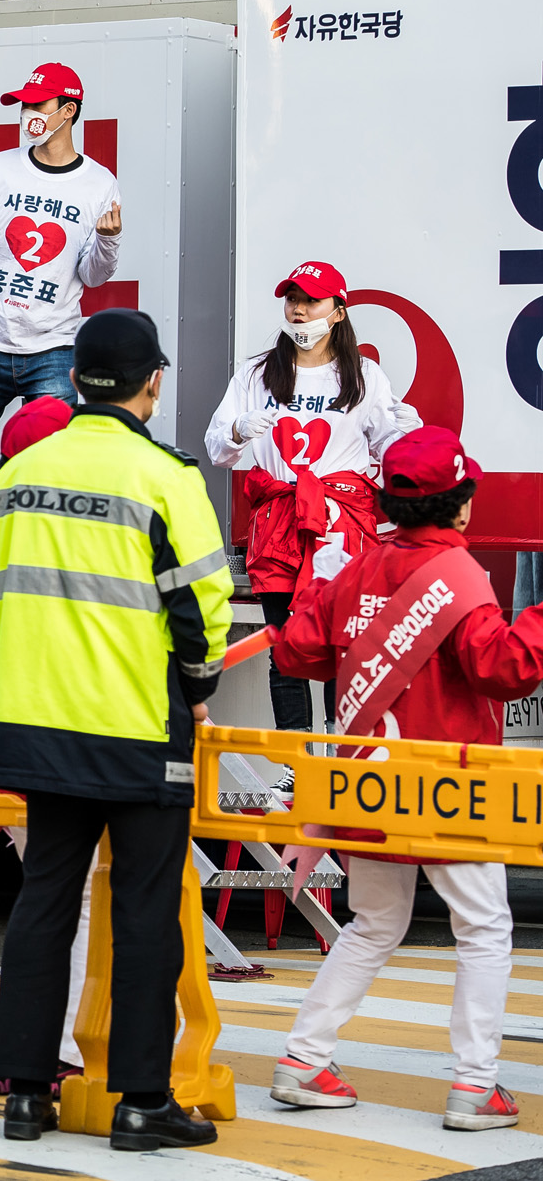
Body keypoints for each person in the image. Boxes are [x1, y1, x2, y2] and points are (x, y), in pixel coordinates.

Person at [0, 309, 229, 1151]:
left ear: (75, 379)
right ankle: (143, 1101)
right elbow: (202, 605)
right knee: (145, 912)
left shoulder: (20, 473)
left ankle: (23, 1092)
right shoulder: (164, 476)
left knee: (44, 901)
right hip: (135, 728)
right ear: (151, 381)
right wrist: (198, 689)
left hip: (37, 720)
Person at [270, 426, 535, 1132]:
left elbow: (297, 654)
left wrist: (318, 590)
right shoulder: (462, 577)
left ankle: (303, 1061)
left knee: (374, 924)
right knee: (484, 929)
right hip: (447, 785)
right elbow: (503, 669)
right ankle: (475, 1086)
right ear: (462, 504)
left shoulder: (359, 566)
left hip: (367, 785)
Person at [205, 260, 418, 732]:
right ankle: (294, 761)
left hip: (341, 525)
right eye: (292, 300)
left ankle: (342, 754)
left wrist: (406, 437)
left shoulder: (364, 374)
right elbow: (217, 449)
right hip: (279, 523)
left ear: (338, 311)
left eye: (311, 301)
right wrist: (238, 428)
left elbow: (389, 450)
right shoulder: (256, 373)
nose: (298, 310)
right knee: (285, 648)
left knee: (343, 645)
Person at [0, 63, 125, 546]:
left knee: (48, 461)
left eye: (38, 104)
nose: (28, 114)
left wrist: (109, 240)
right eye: (24, 105)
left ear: (68, 111)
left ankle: (32, 552)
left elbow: (93, 275)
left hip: (53, 347)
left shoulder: (99, 183)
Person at [0, 395, 87, 1096]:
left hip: (5, 727)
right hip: (49, 731)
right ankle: (46, 1051)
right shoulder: (59, 529)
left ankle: (14, 1050)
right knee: (71, 902)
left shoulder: (1, 521)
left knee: (44, 898)